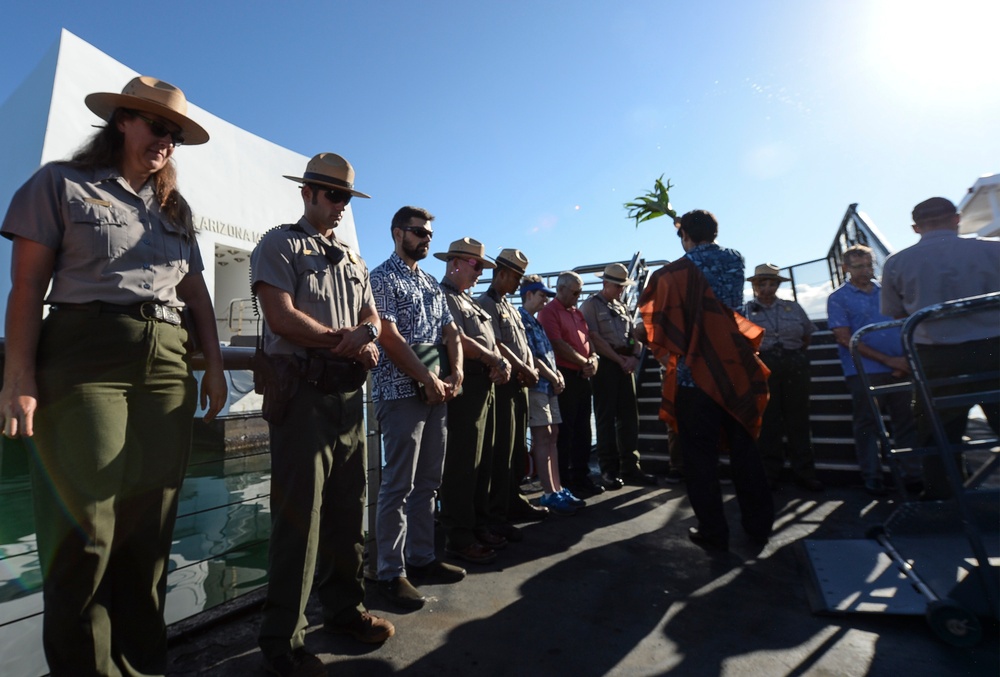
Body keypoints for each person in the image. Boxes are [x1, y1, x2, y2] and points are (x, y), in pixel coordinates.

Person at [0, 76, 226, 676]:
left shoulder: (176, 210)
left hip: (167, 366)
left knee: (149, 536)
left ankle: (143, 667)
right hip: (85, 358)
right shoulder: (60, 183)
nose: (166, 143)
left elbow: (197, 294)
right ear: (123, 120)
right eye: (158, 127)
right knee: (86, 535)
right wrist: (17, 377)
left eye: (174, 135)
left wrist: (216, 365)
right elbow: (26, 287)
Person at [251, 153, 392, 675]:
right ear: (307, 192)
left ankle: (345, 610)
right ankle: (283, 640)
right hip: (303, 395)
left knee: (345, 511)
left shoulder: (353, 259)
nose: (339, 206)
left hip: (348, 399)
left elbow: (373, 317)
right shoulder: (279, 244)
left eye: (346, 198)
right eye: (332, 195)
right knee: (297, 520)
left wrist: (370, 335)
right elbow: (281, 318)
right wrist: (347, 341)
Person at [638, 210, 773, 552]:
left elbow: (663, 325)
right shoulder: (735, 260)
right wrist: (683, 226)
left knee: (700, 460)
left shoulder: (672, 274)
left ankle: (714, 530)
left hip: (694, 375)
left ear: (684, 235)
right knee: (745, 451)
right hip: (733, 367)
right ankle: (758, 527)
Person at [369, 206, 466, 611]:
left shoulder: (430, 283)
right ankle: (390, 572)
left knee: (428, 481)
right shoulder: (381, 278)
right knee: (398, 484)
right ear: (397, 233)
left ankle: (422, 557)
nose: (426, 239)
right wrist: (427, 379)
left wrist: (456, 372)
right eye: (418, 232)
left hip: (437, 391)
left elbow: (451, 332)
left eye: (429, 233)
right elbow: (388, 335)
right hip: (401, 391)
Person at [881, 197, 1000, 499]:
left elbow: (896, 313)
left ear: (915, 227)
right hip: (995, 350)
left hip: (936, 358)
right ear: (956, 219)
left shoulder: (897, 263)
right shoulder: (993, 249)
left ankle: (944, 503)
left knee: (937, 434)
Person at [436, 237, 514, 564]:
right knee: (462, 463)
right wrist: (493, 361)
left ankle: (477, 523)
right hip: (465, 386)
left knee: (482, 463)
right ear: (455, 263)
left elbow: (491, 343)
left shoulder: (468, 300)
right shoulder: (445, 297)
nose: (481, 273)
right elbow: (459, 339)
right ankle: (459, 534)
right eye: (477, 265)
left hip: (485, 385)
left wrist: (501, 364)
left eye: (483, 267)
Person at [827, 245, 924, 496]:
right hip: (864, 371)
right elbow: (843, 337)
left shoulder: (888, 292)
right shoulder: (837, 298)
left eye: (869, 264)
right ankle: (873, 477)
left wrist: (903, 360)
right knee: (868, 424)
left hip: (901, 368)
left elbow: (907, 323)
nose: (865, 270)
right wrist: (889, 361)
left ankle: (913, 475)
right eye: (858, 266)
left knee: (906, 422)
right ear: (845, 268)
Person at [478, 248, 549, 535]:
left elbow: (522, 344)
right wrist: (525, 367)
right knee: (500, 451)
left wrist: (530, 366)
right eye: (516, 276)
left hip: (519, 383)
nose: (519, 283)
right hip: (503, 384)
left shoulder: (507, 305)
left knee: (516, 448)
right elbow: (497, 343)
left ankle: (513, 499)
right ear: (502, 273)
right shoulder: (486, 303)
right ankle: (498, 512)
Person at [744, 263, 823, 492]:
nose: (767, 288)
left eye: (772, 283)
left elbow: (807, 335)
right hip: (763, 366)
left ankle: (805, 473)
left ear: (778, 285)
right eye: (762, 284)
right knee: (768, 422)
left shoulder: (793, 308)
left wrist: (793, 354)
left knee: (798, 420)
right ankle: (769, 473)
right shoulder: (746, 311)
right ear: (755, 286)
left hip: (794, 364)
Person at [581, 263, 657, 489]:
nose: (621, 291)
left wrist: (634, 355)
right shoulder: (591, 305)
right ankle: (609, 470)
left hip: (625, 364)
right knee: (605, 419)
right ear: (605, 283)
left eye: (623, 287)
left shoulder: (622, 307)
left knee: (629, 418)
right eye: (617, 286)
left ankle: (630, 467)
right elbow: (594, 337)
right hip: (607, 365)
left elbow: (633, 336)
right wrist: (619, 359)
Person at [518, 275, 585, 515]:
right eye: (541, 295)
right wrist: (554, 375)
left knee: (553, 433)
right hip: (538, 386)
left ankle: (557, 487)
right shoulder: (522, 320)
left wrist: (556, 377)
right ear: (529, 294)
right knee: (543, 435)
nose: (545, 300)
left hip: (548, 386)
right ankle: (547, 492)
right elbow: (531, 357)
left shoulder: (535, 322)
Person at [537, 271, 605, 497]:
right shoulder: (549, 312)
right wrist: (586, 361)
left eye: (580, 291)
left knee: (583, 430)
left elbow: (588, 341)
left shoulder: (577, 313)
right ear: (561, 289)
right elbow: (557, 343)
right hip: (565, 375)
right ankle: (565, 481)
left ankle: (581, 476)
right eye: (575, 292)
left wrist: (593, 360)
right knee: (566, 431)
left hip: (583, 376)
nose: (578, 296)